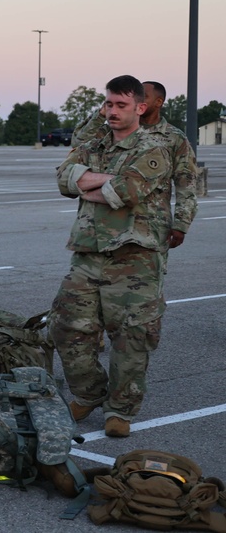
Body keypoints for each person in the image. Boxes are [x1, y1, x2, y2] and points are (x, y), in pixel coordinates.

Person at [50, 75, 173, 438]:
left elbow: (126, 191)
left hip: (135, 257)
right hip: (88, 252)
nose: (112, 111)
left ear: (140, 107)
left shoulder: (155, 146)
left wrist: (86, 182)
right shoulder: (94, 141)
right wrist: (98, 181)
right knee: (65, 326)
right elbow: (62, 179)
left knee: (132, 336)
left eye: (121, 105)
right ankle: (89, 392)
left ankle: (120, 409)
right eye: (108, 104)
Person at [71, 80, 197, 249]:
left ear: (159, 102)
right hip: (104, 224)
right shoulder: (115, 129)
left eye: (143, 96)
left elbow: (186, 183)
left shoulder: (174, 138)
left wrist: (181, 224)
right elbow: (79, 142)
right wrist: (103, 112)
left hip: (147, 226)